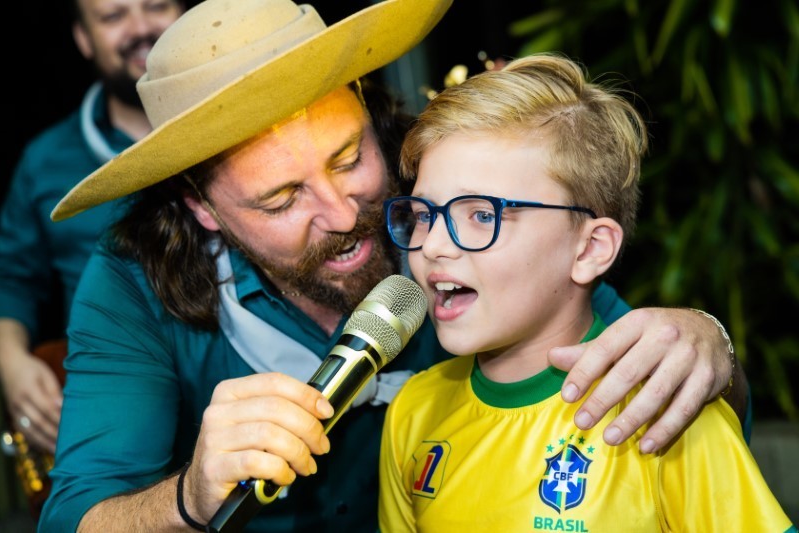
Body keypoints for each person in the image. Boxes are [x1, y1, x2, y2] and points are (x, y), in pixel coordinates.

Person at [40, 0, 748, 531]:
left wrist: (706, 339)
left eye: (350, 157)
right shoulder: (132, 283)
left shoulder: (445, 199)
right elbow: (76, 515)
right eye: (282, 199)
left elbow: (625, 359)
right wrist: (188, 499)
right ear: (201, 206)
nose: (343, 212)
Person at [377, 53, 794, 532]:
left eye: (483, 215)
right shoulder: (412, 411)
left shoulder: (663, 409)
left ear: (590, 249)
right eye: (424, 214)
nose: (432, 244)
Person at [0, 0, 185, 457]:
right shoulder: (45, 161)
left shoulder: (244, 125)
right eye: (113, 16)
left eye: (156, 5)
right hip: (112, 423)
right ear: (83, 38)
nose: (140, 28)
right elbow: (11, 280)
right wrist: (11, 365)